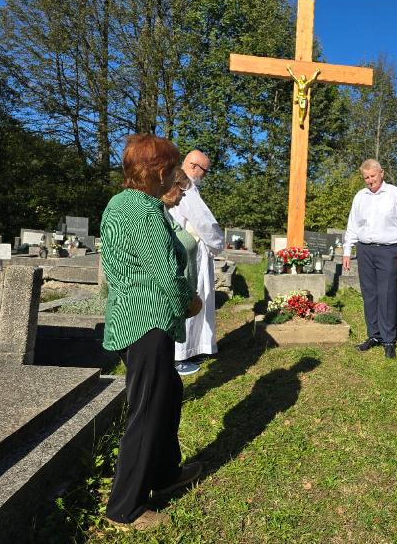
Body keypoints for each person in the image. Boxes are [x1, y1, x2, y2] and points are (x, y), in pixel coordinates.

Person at [102, 134, 203, 530]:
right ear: (160, 172)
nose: (175, 176)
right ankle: (123, 508)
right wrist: (188, 300)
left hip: (136, 318)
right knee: (146, 412)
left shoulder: (123, 203)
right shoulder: (143, 211)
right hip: (146, 322)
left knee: (167, 395)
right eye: (173, 168)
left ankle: (163, 473)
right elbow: (163, 273)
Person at [343, 159, 397, 358]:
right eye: (366, 177)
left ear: (381, 173)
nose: (370, 181)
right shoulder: (360, 197)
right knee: (369, 294)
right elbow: (353, 225)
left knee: (387, 294)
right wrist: (347, 251)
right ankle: (373, 335)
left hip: (388, 250)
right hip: (365, 250)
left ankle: (389, 339)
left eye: (373, 176)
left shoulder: (395, 194)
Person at [169, 149, 224, 375]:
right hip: (191, 250)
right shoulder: (186, 187)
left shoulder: (172, 182)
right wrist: (218, 243)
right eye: (205, 170)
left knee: (192, 298)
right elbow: (204, 223)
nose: (205, 175)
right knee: (193, 297)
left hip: (181, 246)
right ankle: (181, 355)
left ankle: (193, 348)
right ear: (194, 167)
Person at [162, 169, 199, 295]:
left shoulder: (167, 213)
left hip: (185, 298)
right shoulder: (156, 215)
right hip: (174, 299)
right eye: (182, 190)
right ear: (172, 186)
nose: (183, 195)